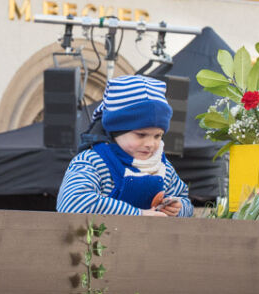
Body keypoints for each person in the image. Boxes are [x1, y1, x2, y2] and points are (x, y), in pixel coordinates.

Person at [56, 75, 193, 217]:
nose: (150, 144)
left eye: (157, 136)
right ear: (116, 130)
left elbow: (187, 204)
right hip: (97, 239)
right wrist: (138, 215)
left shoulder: (164, 168)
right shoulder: (92, 161)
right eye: (141, 135)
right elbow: (73, 202)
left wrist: (179, 208)